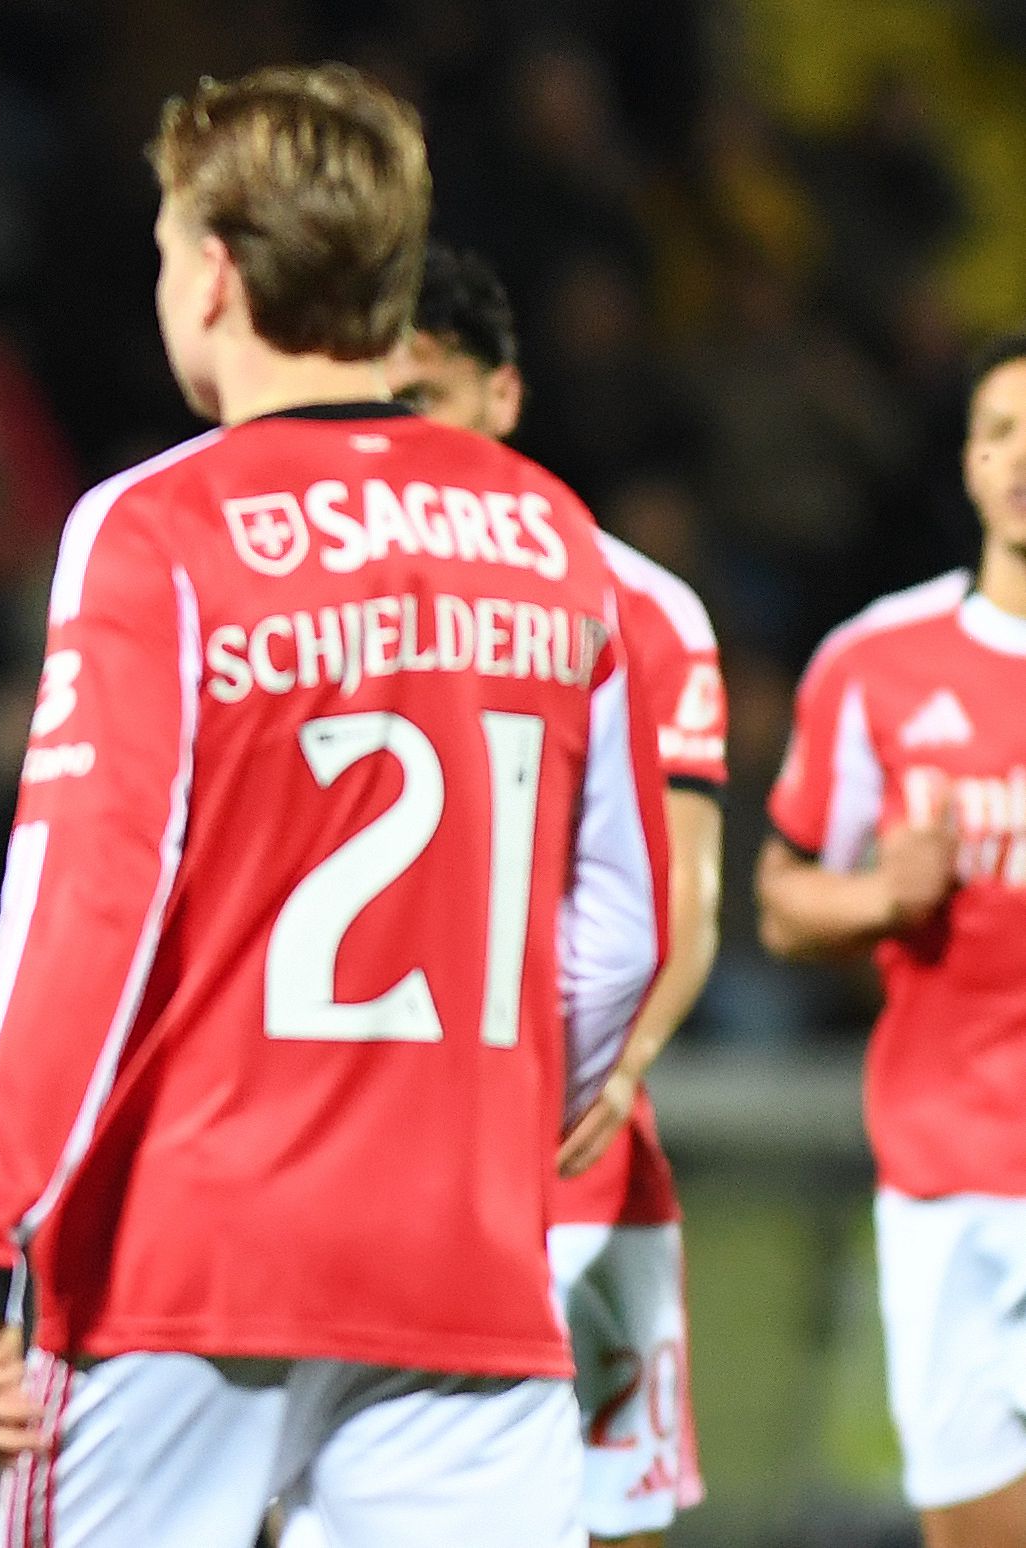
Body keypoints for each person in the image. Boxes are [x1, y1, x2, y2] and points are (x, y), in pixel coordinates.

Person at [0, 65, 669, 1548]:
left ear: (208, 276)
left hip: (190, 1262)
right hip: (463, 1269)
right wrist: (486, 1138)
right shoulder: (552, 538)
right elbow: (626, 929)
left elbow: (84, 909)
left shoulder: (155, 532)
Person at [380, 245, 718, 1548]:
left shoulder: (643, 606)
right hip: (404, 1135)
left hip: (579, 1140)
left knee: (603, 1521)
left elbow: (676, 906)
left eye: (431, 398)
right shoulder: (348, 593)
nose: (404, 434)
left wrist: (616, 1071)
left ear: (503, 397)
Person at [759, 332, 1026, 1548]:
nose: (1021, 458)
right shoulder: (876, 663)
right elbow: (778, 899)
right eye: (999, 432)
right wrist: (879, 898)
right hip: (947, 1177)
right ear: (968, 464)